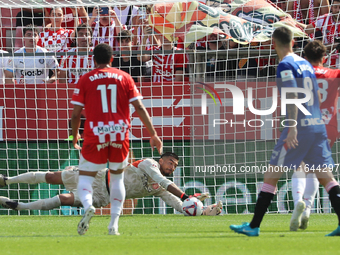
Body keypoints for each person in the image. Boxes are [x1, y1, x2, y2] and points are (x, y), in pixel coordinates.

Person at [229, 26, 340, 237]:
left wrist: (292, 126)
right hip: (318, 125)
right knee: (326, 177)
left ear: (274, 43)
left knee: (271, 176)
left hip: (300, 126)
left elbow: (292, 94)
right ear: (292, 42)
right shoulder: (305, 63)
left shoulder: (286, 64)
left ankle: (253, 227)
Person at [70, 43, 162, 236]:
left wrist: (75, 134)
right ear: (112, 59)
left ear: (93, 60)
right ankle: (114, 225)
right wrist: (153, 134)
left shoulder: (86, 79)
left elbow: (76, 114)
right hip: (120, 133)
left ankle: (88, 206)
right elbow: (139, 107)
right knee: (117, 178)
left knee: (85, 178)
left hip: (95, 133)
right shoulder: (124, 77)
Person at [0, 152, 222, 216]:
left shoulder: (160, 191)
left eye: (175, 166)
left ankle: (18, 206)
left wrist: (201, 210)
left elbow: (177, 205)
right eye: (170, 162)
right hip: (98, 175)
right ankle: (7, 181)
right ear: (161, 160)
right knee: (50, 177)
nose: (172, 167)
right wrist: (186, 197)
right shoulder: (148, 163)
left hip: (102, 197)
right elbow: (164, 181)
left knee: (63, 200)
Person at [290, 40, 340, 231]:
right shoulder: (335, 73)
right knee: (317, 169)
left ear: (304, 57)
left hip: (307, 124)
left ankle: (298, 203)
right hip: (330, 126)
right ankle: (308, 208)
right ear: (324, 57)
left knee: (300, 166)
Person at [304, 0, 340, 67]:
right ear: (331, 8)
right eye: (335, 7)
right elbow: (306, 29)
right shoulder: (325, 19)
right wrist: (294, 23)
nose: (338, 10)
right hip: (327, 62)